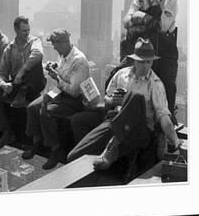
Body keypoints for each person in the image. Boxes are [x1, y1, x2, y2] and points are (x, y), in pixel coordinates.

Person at [67, 38, 181, 176]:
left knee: (135, 97)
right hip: (115, 122)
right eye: (141, 61)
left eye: (148, 62)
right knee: (73, 156)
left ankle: (113, 146)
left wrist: (175, 140)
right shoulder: (121, 75)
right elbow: (107, 101)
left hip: (139, 130)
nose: (145, 66)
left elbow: (163, 116)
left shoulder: (155, 84)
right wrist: (113, 101)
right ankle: (104, 153)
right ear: (134, 60)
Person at [23, 29, 90, 170]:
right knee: (32, 108)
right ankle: (36, 142)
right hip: (59, 93)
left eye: (55, 44)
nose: (53, 47)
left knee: (45, 112)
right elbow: (62, 77)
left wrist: (56, 77)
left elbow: (74, 91)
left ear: (65, 43)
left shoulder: (79, 61)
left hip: (74, 100)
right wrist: (55, 68)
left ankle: (55, 149)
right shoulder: (63, 56)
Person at [122, 0, 179, 115]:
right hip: (144, 51)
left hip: (165, 52)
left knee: (166, 85)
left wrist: (142, 17)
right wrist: (142, 20)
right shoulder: (140, 0)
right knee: (125, 77)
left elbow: (162, 26)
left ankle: (167, 124)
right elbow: (126, 22)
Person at [0, 16, 46, 151]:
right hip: (17, 83)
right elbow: (2, 71)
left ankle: (23, 92)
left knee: (33, 65)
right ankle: (6, 131)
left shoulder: (34, 41)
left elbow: (37, 54)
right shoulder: (10, 48)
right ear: (16, 30)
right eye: (24, 31)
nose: (27, 33)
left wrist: (22, 72)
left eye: (28, 30)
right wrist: (3, 84)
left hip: (33, 82)